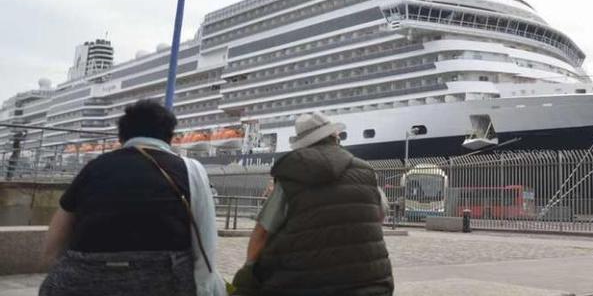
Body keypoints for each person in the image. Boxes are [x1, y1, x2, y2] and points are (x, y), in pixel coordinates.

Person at [40, 100, 226, 296]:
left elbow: (51, 248)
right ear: (170, 137)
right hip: (165, 281)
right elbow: (206, 241)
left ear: (122, 136)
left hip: (84, 280)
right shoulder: (189, 169)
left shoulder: (94, 167)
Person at [233, 112, 393, 296]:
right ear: (335, 137)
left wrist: (248, 269)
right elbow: (379, 215)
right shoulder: (365, 171)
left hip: (303, 285)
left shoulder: (290, 175)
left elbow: (261, 233)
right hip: (372, 284)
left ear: (302, 144)